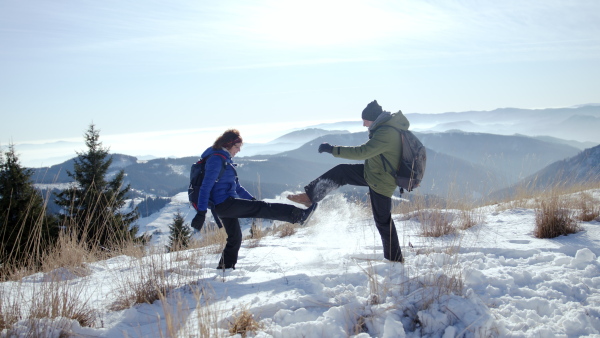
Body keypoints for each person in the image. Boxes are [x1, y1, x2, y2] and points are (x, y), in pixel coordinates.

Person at [287, 100, 408, 263]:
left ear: (373, 118)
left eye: (365, 120)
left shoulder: (386, 133)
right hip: (373, 173)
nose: (363, 124)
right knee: (342, 171)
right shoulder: (384, 128)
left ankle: (395, 260)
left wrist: (332, 149)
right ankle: (310, 196)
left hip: (381, 180)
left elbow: (362, 152)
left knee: (383, 221)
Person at [192, 129, 318, 270]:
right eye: (237, 147)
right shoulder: (216, 159)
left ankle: (225, 269)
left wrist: (251, 199)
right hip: (225, 204)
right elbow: (205, 187)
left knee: (235, 238)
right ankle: (299, 216)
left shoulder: (225, 159)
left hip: (225, 204)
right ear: (228, 144)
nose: (239, 150)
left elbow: (237, 187)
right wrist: (201, 212)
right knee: (263, 208)